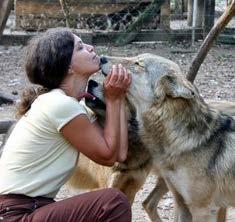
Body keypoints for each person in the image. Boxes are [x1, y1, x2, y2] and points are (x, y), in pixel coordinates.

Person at [0, 28, 132, 222]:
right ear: (68, 67)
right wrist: (112, 100)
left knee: (111, 201)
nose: (91, 47)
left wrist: (118, 98)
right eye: (80, 48)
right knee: (112, 202)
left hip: (31, 209)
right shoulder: (58, 104)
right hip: (16, 214)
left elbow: (119, 154)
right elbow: (107, 156)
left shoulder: (73, 106)